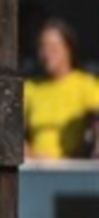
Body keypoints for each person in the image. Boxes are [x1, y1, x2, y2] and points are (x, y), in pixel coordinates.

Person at [25, 19, 99, 160]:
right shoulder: (31, 87)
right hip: (35, 166)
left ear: (68, 49)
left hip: (73, 167)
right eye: (42, 47)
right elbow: (9, 130)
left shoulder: (86, 84)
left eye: (53, 47)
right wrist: (29, 153)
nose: (47, 53)